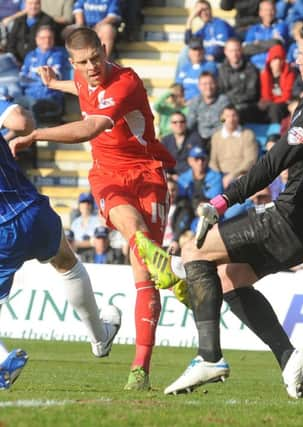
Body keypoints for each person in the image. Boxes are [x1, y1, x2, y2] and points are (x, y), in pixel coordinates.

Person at [134, 22, 303, 399]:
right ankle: (289, 360)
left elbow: (270, 165)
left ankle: (209, 357)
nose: (295, 60)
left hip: (292, 220)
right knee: (231, 277)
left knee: (195, 250)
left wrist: (222, 201)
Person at [9, 27, 176, 391]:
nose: (92, 67)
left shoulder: (126, 81)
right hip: (108, 174)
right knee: (133, 230)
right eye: (83, 63)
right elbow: (84, 90)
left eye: (96, 59)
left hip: (147, 173)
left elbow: (89, 127)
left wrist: (37, 134)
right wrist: (57, 86)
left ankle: (140, 367)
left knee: (144, 278)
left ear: (105, 50)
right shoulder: (81, 76)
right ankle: (144, 246)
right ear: (73, 62)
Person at [0, 132, 121, 390]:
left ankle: (2, 363)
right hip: (34, 211)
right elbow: (20, 119)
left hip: (2, 230)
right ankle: (100, 338)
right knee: (67, 264)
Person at [18, 25, 69, 125]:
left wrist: (33, 79)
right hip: (29, 95)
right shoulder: (30, 55)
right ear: (37, 39)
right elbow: (22, 78)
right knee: (11, 108)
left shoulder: (59, 54)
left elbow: (53, 78)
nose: (47, 40)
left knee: (35, 106)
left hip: (50, 95)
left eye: (50, 37)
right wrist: (39, 77)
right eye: (43, 38)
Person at [208, 105, 258, 189]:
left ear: (238, 117)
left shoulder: (247, 134)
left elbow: (250, 160)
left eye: (234, 115)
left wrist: (232, 175)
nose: (231, 119)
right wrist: (218, 176)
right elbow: (213, 160)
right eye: (227, 116)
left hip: (241, 174)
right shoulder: (216, 136)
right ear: (222, 119)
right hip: (221, 175)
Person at [217, 38, 261, 124]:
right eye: (231, 51)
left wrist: (231, 99)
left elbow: (252, 93)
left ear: (241, 51)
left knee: (233, 113)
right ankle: (220, 133)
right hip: (226, 104)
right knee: (218, 112)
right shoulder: (222, 69)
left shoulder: (250, 69)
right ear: (225, 52)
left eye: (237, 50)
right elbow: (220, 90)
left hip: (246, 105)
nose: (234, 54)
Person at [186, 71, 231, 148]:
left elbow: (224, 120)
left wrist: (220, 122)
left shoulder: (223, 101)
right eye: (204, 84)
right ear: (199, 86)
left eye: (211, 83)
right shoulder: (195, 101)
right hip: (200, 138)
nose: (208, 87)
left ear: (216, 84)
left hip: (219, 136)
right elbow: (190, 123)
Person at [243, 0, 289, 70]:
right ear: (260, 13)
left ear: (276, 11)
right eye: (266, 10)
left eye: (271, 10)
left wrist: (257, 43)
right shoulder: (253, 29)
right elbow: (247, 49)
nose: (269, 13)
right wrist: (268, 44)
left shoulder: (281, 25)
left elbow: (276, 43)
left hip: (274, 68)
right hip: (254, 67)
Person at [7, 0, 55, 64]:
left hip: (36, 62)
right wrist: (14, 59)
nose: (33, 6)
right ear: (25, 5)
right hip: (16, 61)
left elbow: (45, 44)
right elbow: (11, 41)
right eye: (30, 3)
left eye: (36, 3)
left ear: (40, 4)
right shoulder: (18, 20)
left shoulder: (48, 21)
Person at [161, 111, 204, 177]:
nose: (179, 125)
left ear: (186, 123)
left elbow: (198, 161)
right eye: (175, 122)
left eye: (182, 121)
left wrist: (182, 177)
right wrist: (170, 176)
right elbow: (162, 162)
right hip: (171, 177)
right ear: (170, 124)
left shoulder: (195, 138)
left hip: (191, 177)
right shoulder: (165, 140)